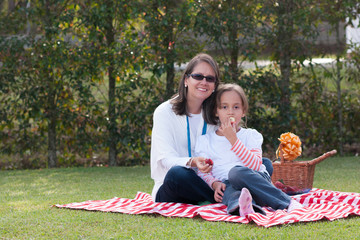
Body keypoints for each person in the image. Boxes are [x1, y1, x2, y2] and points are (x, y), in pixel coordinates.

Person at [150, 53, 273, 205]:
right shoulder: (164, 112)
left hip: (214, 181)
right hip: (180, 183)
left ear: (215, 86)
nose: (204, 82)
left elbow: (229, 154)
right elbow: (165, 160)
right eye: (198, 76)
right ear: (186, 80)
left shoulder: (216, 112)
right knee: (177, 174)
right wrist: (192, 162)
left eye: (210, 79)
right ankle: (236, 195)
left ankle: (231, 195)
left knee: (264, 164)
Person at [194, 83, 303, 216]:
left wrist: (233, 139)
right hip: (228, 185)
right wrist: (214, 184)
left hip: (255, 179)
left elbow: (256, 164)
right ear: (216, 111)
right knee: (230, 193)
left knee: (235, 173)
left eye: (236, 107)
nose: (230, 111)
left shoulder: (251, 135)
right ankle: (248, 208)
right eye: (224, 107)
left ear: (243, 111)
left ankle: (287, 203)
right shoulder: (205, 141)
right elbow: (202, 170)